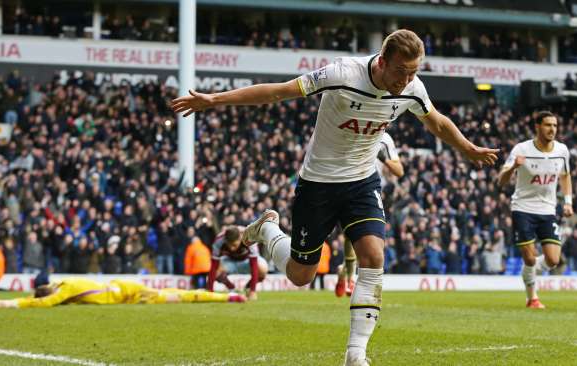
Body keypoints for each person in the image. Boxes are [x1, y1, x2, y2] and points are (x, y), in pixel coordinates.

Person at [172, 29, 498, 365]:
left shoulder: (413, 89)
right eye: (401, 71)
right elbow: (278, 92)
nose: (407, 79)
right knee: (301, 276)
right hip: (318, 183)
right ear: (383, 62)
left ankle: (356, 354)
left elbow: (438, 123)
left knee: (373, 257)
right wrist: (214, 99)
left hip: (362, 181)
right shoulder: (342, 74)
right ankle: (269, 228)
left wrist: (468, 149)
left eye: (414, 71)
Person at [498, 111, 573, 309]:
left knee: (553, 260)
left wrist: (568, 201)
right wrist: (513, 165)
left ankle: (528, 272)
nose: (552, 130)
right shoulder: (521, 149)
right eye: (548, 125)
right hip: (522, 208)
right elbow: (500, 180)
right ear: (537, 127)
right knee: (529, 257)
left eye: (555, 126)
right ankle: (532, 298)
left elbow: (565, 175)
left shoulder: (562, 150)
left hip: (547, 210)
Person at [335, 132, 404, 297]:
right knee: (350, 233)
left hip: (374, 194)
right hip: (349, 186)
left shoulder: (385, 139)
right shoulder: (353, 130)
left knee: (367, 243)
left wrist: (384, 159)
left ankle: (344, 270)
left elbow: (399, 171)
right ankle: (351, 278)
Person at [0, 275, 246, 309]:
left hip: (133, 293)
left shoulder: (64, 291)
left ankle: (229, 296)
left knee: (182, 296)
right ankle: (226, 295)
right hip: (127, 289)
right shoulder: (66, 284)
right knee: (178, 294)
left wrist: (6, 303)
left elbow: (46, 303)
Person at [206, 226, 267, 301]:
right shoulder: (218, 241)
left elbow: (254, 265)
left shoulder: (250, 238)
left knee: (263, 269)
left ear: (240, 238)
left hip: (247, 261)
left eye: (234, 245)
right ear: (225, 240)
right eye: (229, 245)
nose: (231, 248)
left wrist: (252, 291)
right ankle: (232, 288)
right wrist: (210, 291)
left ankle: (248, 288)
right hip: (229, 261)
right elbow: (213, 267)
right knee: (215, 271)